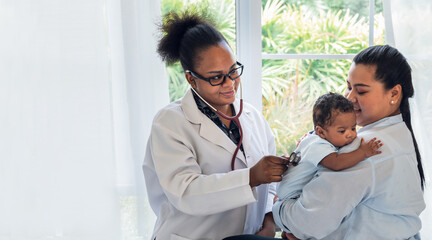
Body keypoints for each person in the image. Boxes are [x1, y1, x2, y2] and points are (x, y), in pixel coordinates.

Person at [143, 10, 290, 240]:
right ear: (191, 79)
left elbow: (270, 183)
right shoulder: (170, 123)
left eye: (233, 71)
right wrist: (250, 177)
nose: (230, 83)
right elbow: (186, 192)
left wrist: (269, 220)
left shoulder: (251, 116)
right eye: (216, 77)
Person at [273, 45, 426, 240]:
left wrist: (279, 207)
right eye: (348, 87)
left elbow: (308, 223)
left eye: (360, 91)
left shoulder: (366, 148)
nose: (349, 97)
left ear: (394, 94)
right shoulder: (400, 134)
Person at [274, 92, 383, 209]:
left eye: (353, 128)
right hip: (290, 197)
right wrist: (363, 152)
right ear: (321, 132)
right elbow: (336, 163)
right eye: (342, 131)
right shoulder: (317, 145)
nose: (351, 134)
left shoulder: (318, 138)